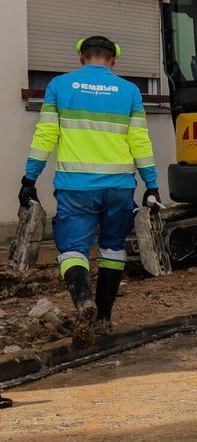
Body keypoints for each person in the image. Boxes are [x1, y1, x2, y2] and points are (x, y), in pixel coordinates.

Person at [20, 36, 159, 347]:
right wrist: (152, 185)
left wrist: (29, 179)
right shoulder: (130, 91)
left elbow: (45, 136)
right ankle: (104, 318)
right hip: (119, 187)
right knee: (112, 248)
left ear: (82, 58)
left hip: (75, 187)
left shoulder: (59, 86)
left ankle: (84, 302)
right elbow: (141, 142)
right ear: (113, 60)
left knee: (72, 250)